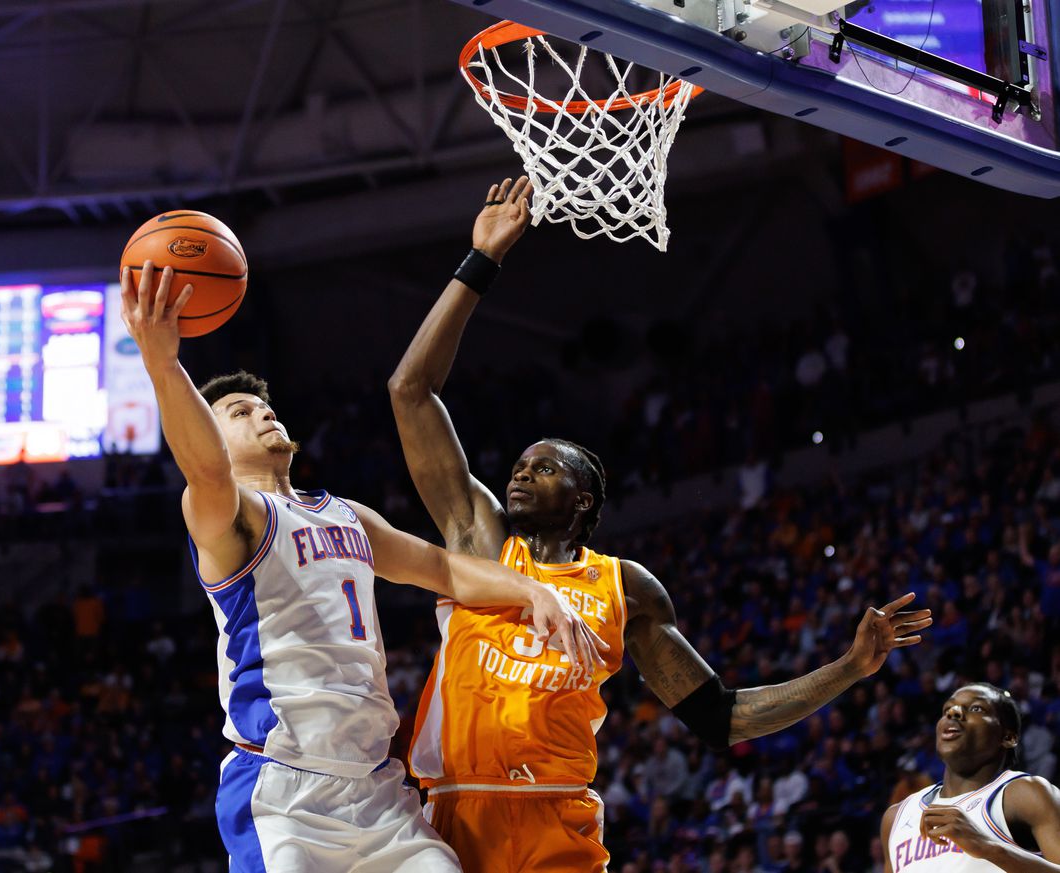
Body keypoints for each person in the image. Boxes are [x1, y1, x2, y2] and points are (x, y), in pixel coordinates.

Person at [387, 175, 934, 873]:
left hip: (557, 820)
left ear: (583, 499)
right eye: (519, 465)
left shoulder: (629, 589)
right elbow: (410, 392)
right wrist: (482, 260)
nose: (520, 473)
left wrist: (850, 668)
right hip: (454, 816)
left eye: (544, 467)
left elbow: (724, 716)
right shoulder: (482, 543)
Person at [118, 261, 607, 872]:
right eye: (239, 413)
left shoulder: (347, 516)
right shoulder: (226, 518)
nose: (263, 414)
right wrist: (164, 366)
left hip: (379, 794)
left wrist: (537, 593)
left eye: (263, 407)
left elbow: (445, 571)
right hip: (283, 792)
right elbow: (207, 469)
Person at [881, 683, 1060, 871]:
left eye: (976, 708)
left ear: (1008, 737)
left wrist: (989, 848)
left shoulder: (1024, 794)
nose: (954, 712)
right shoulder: (896, 817)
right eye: (947, 710)